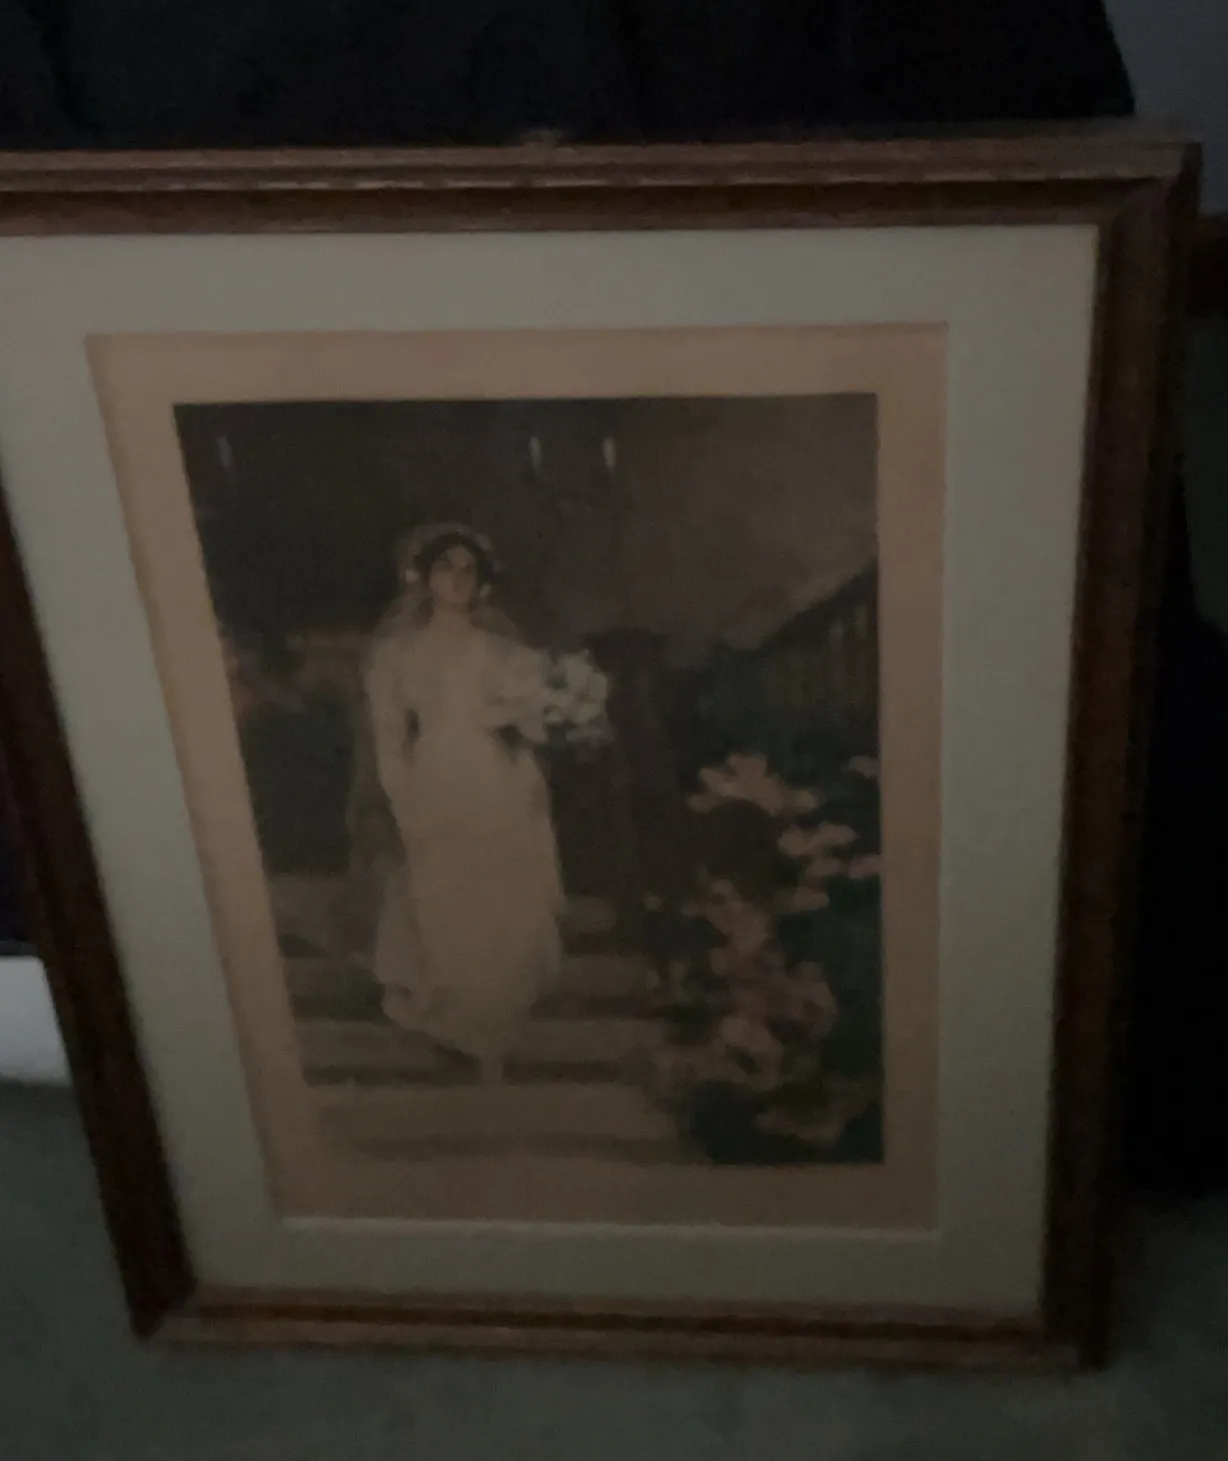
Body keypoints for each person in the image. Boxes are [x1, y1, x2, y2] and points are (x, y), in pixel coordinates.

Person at [364, 522, 564, 1080]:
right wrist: (402, 800)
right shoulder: (396, 655)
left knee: (503, 902)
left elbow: (534, 727)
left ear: (482, 582)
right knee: (444, 901)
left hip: (498, 781)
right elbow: (388, 739)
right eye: (444, 568)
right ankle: (455, 1024)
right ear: (424, 578)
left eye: (467, 570)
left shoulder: (506, 654)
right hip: (434, 780)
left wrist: (525, 720)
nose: (456, 579)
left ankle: (494, 1032)